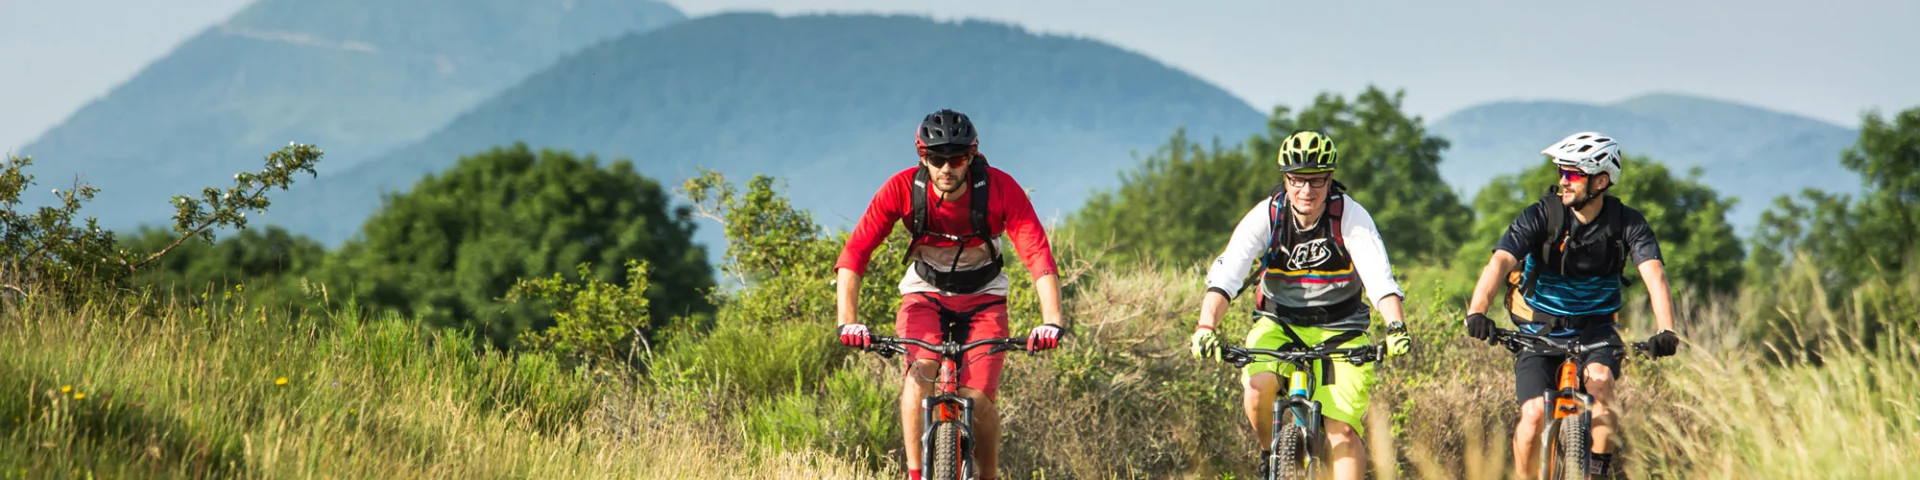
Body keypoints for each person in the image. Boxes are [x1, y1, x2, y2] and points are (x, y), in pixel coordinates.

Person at [833, 109, 1068, 480]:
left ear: (971, 156)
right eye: (936, 158)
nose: (946, 168)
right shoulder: (902, 188)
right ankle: (915, 474)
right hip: (925, 293)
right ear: (922, 157)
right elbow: (855, 255)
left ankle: (988, 475)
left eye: (956, 158)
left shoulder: (1000, 188)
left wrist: (1051, 322)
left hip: (984, 296)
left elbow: (1038, 256)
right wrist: (848, 322)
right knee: (919, 376)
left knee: (978, 398)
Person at [1189, 129, 1412, 479]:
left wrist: (1395, 327)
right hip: (1279, 324)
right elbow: (1226, 277)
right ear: (1285, 179)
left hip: (1341, 330)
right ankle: (1270, 456)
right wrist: (1205, 328)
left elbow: (1379, 280)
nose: (1306, 191)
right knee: (1257, 388)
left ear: (1330, 179)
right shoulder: (1268, 215)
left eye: (1316, 181)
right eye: (1297, 180)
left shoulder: (1349, 217)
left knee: (1342, 431)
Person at [1461, 131, 1681, 479]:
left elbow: (1655, 276)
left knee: (1602, 386)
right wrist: (1477, 311)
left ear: (1601, 180)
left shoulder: (1627, 222)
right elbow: (1500, 262)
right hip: (1538, 330)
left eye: (1573, 174)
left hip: (1597, 329)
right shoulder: (1541, 215)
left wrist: (1666, 329)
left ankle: (1595, 472)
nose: (1563, 181)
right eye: (1562, 172)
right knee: (1533, 415)